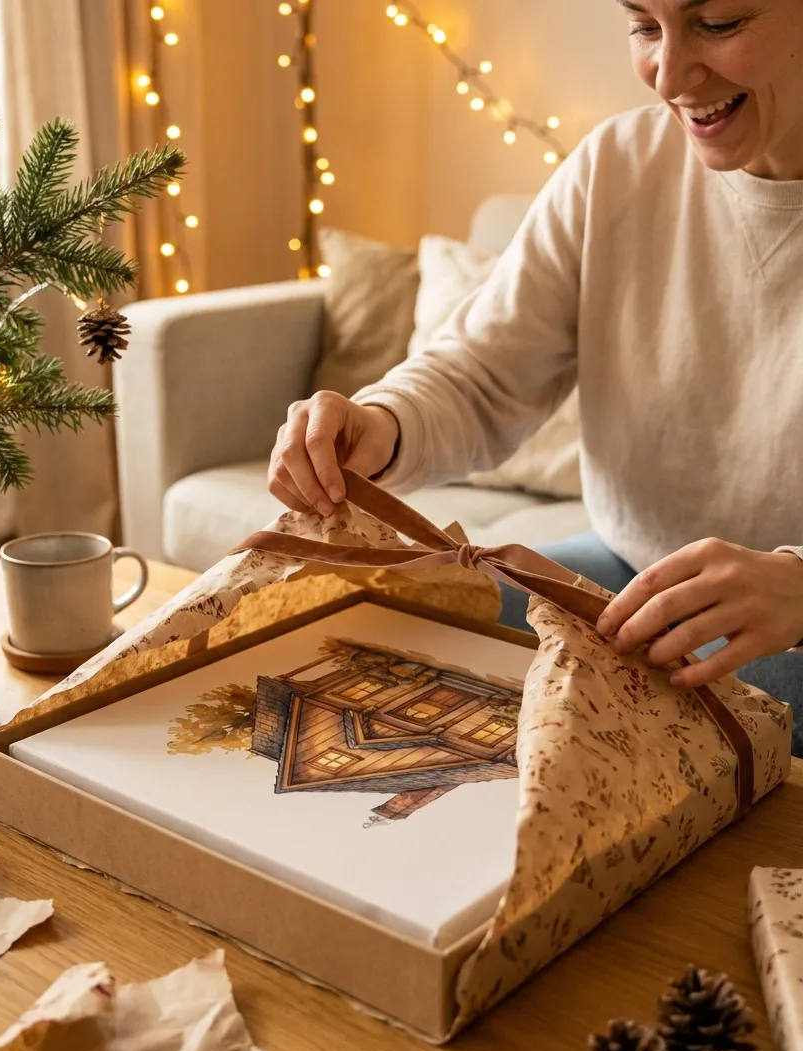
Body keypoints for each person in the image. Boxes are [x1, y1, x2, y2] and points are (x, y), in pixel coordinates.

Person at [267, 0, 803, 756]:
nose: (667, 77)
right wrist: (380, 424)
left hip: (790, 629)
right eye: (644, 27)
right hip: (626, 569)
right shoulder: (616, 164)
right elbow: (483, 373)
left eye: (717, 23)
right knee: (371, 641)